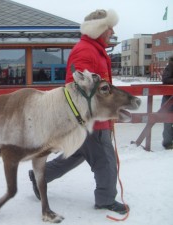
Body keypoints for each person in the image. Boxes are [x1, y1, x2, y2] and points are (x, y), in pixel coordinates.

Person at [28, 9, 129, 215]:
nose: (111, 31)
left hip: (91, 120)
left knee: (77, 154)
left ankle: (41, 175)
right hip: (92, 121)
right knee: (105, 161)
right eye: (108, 27)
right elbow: (80, 89)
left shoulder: (94, 50)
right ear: (99, 29)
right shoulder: (85, 51)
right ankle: (105, 200)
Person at [161, 55, 173, 149]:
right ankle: (167, 142)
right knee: (168, 119)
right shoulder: (170, 66)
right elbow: (165, 79)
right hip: (169, 98)